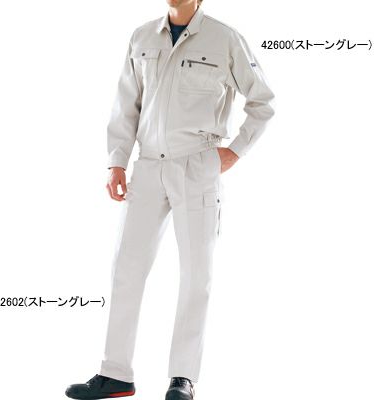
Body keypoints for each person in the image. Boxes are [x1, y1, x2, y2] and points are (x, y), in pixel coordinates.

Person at [65, 0, 275, 399]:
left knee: (196, 274)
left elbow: (262, 101)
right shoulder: (142, 36)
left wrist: (235, 151)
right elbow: (126, 105)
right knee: (126, 267)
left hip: (197, 165)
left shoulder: (225, 39)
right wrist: (117, 162)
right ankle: (116, 373)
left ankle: (183, 377)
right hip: (147, 166)